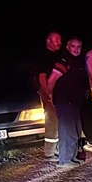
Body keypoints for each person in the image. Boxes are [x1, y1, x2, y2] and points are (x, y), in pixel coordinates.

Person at [47, 37, 91, 167]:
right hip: (65, 101)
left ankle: (70, 157)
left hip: (75, 102)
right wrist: (51, 95)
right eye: (73, 46)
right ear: (67, 47)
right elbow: (51, 80)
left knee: (75, 130)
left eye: (79, 47)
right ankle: (65, 160)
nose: (76, 49)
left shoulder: (78, 61)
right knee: (67, 131)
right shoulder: (64, 61)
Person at [37, 31, 63, 161]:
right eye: (56, 40)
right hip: (49, 91)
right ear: (48, 41)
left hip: (58, 91)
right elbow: (42, 76)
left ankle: (58, 149)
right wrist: (49, 93)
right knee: (52, 120)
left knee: (59, 120)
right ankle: (49, 152)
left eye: (60, 39)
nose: (60, 42)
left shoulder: (57, 55)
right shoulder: (44, 57)